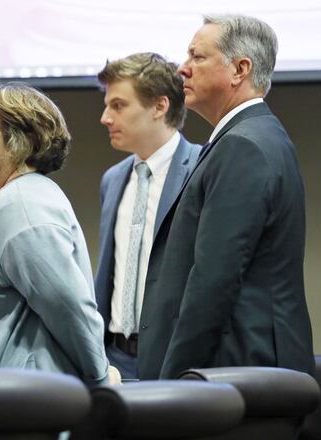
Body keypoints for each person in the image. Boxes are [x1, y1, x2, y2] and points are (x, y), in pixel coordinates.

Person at [138, 14, 314, 379]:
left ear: (240, 69)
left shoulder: (242, 145)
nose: (182, 69)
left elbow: (212, 280)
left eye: (197, 57)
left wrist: (173, 382)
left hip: (239, 375)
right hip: (244, 371)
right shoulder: (255, 135)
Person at [0, 83, 110, 386]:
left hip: (21, 405)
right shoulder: (13, 200)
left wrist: (102, 378)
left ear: (20, 143)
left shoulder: (22, 204)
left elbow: (67, 305)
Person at [95, 53, 200, 379]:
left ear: (159, 107)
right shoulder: (113, 179)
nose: (105, 118)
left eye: (118, 105)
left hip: (175, 357)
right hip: (114, 357)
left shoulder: (203, 169)